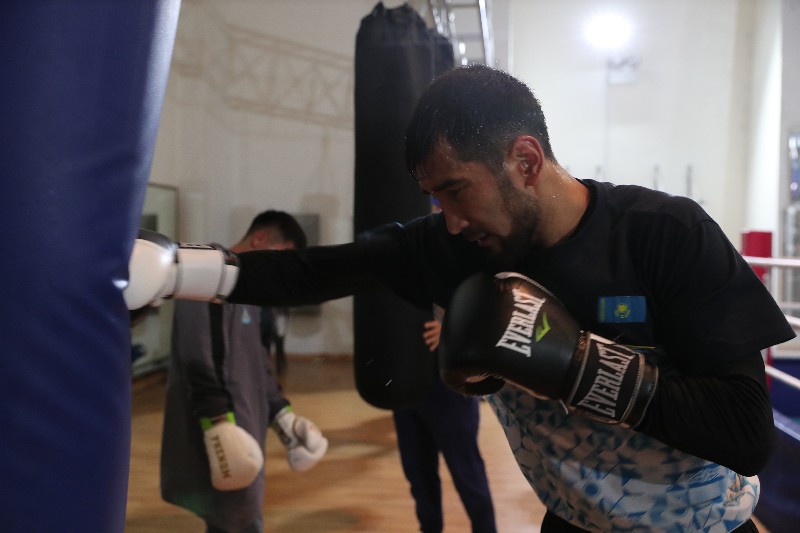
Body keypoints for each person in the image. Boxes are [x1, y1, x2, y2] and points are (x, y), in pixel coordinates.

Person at [128, 65, 795, 532]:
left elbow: (744, 434)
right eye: (433, 198)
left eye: (455, 190)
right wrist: (178, 269)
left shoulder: (664, 234)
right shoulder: (455, 245)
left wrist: (580, 367)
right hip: (571, 521)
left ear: (525, 161)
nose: (448, 220)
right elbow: (316, 271)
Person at [159, 210, 328, 533]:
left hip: (247, 427)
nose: (281, 271)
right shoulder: (206, 268)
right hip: (223, 427)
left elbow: (256, 360)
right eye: (281, 257)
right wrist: (217, 421)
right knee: (235, 520)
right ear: (260, 239)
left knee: (237, 519)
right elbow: (196, 350)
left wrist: (283, 416)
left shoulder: (250, 285)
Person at [393, 305, 497, 533]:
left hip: (449, 385)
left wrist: (452, 330)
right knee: (418, 474)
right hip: (406, 380)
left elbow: (486, 307)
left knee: (467, 475)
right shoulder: (395, 284)